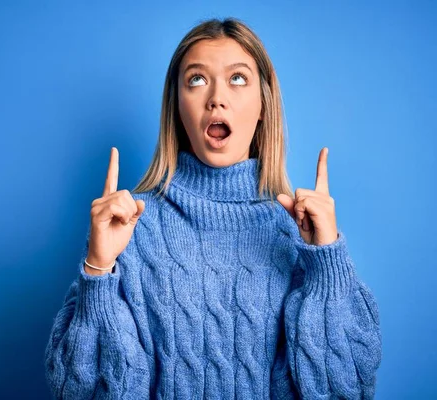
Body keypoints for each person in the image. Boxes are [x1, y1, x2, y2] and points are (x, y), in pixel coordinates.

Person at [44, 17, 382, 399]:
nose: (216, 97)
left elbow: (349, 390)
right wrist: (98, 272)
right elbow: (76, 390)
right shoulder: (130, 228)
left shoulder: (298, 233)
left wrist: (327, 263)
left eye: (237, 79)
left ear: (263, 106)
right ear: (177, 108)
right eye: (197, 80)